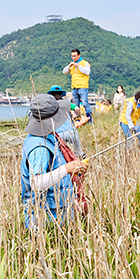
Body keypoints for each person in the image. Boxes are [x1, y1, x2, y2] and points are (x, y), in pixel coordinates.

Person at [20, 92, 88, 229]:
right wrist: (67, 168)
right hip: (45, 222)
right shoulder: (39, 147)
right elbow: (37, 182)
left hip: (59, 215)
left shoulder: (48, 136)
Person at [48, 85, 83, 156]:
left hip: (58, 134)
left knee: (59, 155)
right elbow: (77, 109)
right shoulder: (67, 103)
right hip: (71, 132)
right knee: (79, 153)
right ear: (61, 94)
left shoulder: (49, 105)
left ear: (51, 95)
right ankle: (80, 157)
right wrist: (79, 116)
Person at [62, 49, 92, 121]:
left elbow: (87, 72)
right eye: (72, 56)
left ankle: (90, 118)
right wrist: (69, 66)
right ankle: (77, 119)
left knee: (85, 103)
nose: (74, 57)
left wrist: (78, 66)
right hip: (74, 87)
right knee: (75, 104)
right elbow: (64, 71)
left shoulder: (85, 63)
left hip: (83, 86)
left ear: (79, 55)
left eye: (75, 56)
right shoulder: (72, 64)